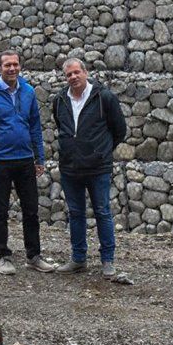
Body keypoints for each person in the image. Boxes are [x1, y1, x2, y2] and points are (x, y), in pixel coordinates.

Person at [0, 50, 54, 275]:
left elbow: (35, 126)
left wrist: (39, 157)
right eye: (7, 65)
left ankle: (33, 256)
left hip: (25, 160)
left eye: (15, 64)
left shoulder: (28, 92)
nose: (12, 69)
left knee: (31, 210)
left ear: (20, 66)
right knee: (0, 211)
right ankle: (3, 255)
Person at [52, 58, 127, 278]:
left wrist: (101, 151)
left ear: (85, 72)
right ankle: (78, 259)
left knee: (102, 212)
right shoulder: (60, 100)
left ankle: (108, 260)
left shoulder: (104, 97)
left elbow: (119, 130)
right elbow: (61, 126)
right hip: (70, 168)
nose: (73, 77)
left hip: (97, 168)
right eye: (69, 74)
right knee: (75, 214)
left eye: (76, 72)